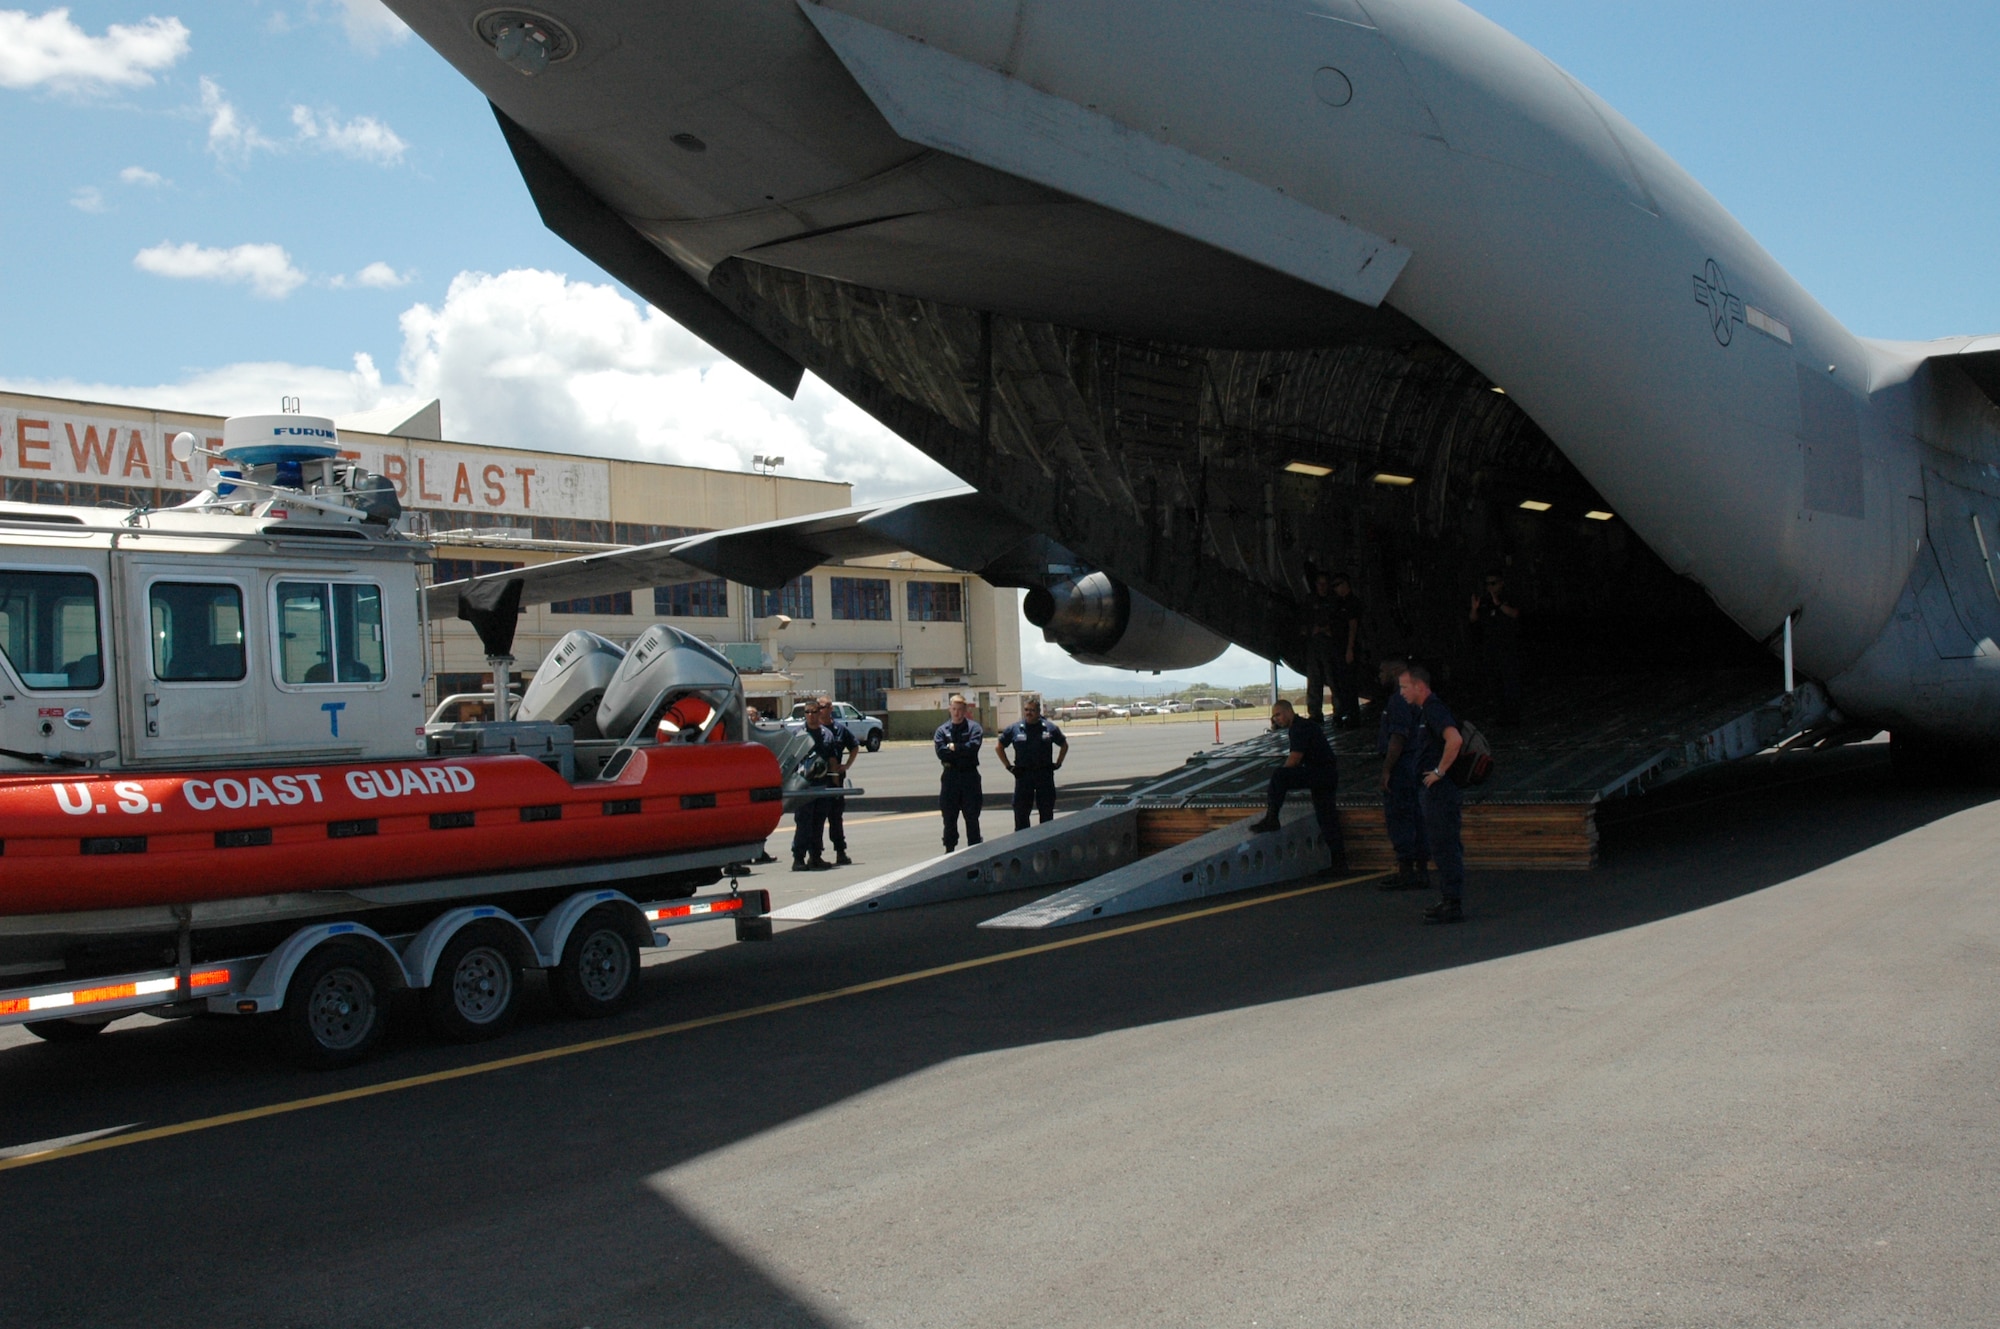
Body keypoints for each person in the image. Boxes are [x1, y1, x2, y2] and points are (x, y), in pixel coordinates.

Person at [1398, 664, 1466, 924]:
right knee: (1441, 844)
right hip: (1434, 790)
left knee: (1445, 844)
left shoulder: (1434, 710)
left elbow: (1455, 740)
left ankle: (1452, 902)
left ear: (1419, 686)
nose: (1402, 692)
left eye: (1405, 687)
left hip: (1440, 791)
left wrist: (1439, 771)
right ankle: (1448, 899)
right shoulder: (1426, 712)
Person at [1245, 698, 1344, 870]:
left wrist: (1282, 781)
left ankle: (1272, 818)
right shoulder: (1303, 726)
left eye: (1278, 714)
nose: (1276, 719)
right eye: (1274, 716)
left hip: (1321, 773)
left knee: (1279, 776)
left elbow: (1295, 758)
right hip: (1326, 775)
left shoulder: (1299, 728)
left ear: (1289, 711)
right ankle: (1339, 863)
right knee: (1327, 818)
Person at [1375, 657, 1431, 891]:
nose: (1379, 676)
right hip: (1415, 763)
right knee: (1416, 815)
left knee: (1400, 816)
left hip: (1402, 766)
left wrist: (1387, 769)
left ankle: (1406, 870)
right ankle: (1420, 870)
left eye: (1382, 671)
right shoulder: (1413, 698)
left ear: (1396, 672)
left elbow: (1398, 737)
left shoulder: (1398, 700)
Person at [998, 695, 1069, 830]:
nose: (1028, 713)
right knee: (1021, 814)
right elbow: (999, 747)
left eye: (1032, 710)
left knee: (1046, 813)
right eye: (1026, 710)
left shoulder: (1049, 728)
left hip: (1044, 775)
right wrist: (1008, 766)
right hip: (1023, 776)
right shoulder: (1015, 728)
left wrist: (1058, 763)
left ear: (1038, 712)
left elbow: (1064, 745)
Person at [1305, 571, 1363, 728]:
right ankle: (1316, 713)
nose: (1323, 587)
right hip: (1316, 645)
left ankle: (1340, 712)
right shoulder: (1311, 601)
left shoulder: (1338, 602)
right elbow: (1304, 620)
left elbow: (1348, 624)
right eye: (1320, 584)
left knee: (1335, 680)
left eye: (1326, 584)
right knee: (1315, 680)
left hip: (1332, 646)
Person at [790, 704, 843, 872]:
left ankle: (815, 856)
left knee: (818, 823)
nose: (811, 715)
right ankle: (798, 858)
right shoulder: (798, 734)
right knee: (803, 823)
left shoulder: (827, 735)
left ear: (820, 713)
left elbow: (833, 761)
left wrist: (836, 787)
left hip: (822, 786)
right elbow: (789, 761)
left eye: (814, 712)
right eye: (807, 712)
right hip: (803, 787)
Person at [1470, 571, 1523, 724]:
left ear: (1501, 583)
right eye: (1488, 584)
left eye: (1493, 583)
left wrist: (1498, 603)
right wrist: (1474, 608)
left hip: (1507, 646)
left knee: (1510, 681)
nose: (1490, 587)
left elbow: (1515, 613)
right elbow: (1474, 619)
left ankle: (1514, 715)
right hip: (1490, 647)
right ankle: (1501, 715)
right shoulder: (1484, 601)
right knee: (1495, 682)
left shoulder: (1509, 597)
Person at [934, 693, 984, 851]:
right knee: (949, 818)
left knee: (972, 817)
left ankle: (974, 850)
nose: (957, 713)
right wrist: (961, 749)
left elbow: (973, 748)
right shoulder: (942, 731)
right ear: (950, 709)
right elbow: (941, 753)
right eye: (954, 709)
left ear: (965, 710)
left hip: (969, 777)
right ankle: (949, 849)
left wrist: (954, 747)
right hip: (950, 778)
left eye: (960, 709)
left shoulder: (974, 728)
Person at [814, 695, 860, 865]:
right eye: (818, 707)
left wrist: (846, 765)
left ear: (831, 708)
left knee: (835, 817)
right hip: (817, 779)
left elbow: (854, 746)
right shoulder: (812, 729)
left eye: (824, 706)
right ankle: (815, 854)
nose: (820, 710)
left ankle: (840, 851)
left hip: (835, 779)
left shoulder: (839, 729)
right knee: (817, 818)